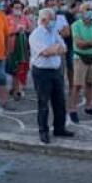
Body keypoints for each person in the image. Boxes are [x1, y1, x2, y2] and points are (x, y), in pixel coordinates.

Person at [29, 9, 74, 144]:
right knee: (43, 103)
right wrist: (54, 49)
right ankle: (43, 131)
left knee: (59, 102)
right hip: (42, 72)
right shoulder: (35, 35)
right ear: (43, 20)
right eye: (52, 19)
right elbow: (45, 52)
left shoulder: (54, 32)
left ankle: (59, 128)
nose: (54, 22)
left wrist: (54, 49)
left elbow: (64, 48)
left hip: (56, 71)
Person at [69, 4, 92, 120]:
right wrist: (91, 43)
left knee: (90, 83)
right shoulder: (75, 25)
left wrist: (87, 44)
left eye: (91, 9)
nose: (90, 11)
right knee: (77, 85)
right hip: (80, 58)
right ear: (81, 11)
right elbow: (78, 44)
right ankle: (72, 109)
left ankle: (88, 106)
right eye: (87, 9)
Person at [5, 0, 32, 102]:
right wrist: (15, 30)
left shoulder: (24, 18)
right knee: (13, 68)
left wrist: (25, 29)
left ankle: (17, 90)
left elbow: (30, 29)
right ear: (11, 8)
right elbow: (5, 31)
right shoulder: (7, 18)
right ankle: (14, 88)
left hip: (23, 47)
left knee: (21, 68)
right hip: (11, 47)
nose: (18, 10)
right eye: (16, 7)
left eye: (20, 8)